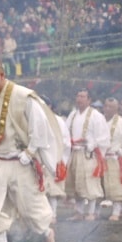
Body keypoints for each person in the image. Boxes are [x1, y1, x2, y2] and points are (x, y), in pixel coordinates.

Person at [0, 58, 61, 242]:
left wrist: (29, 152)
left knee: (31, 211)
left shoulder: (23, 96)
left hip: (21, 161)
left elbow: (40, 127)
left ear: (1, 75)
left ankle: (48, 234)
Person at [64, 89, 110, 221]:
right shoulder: (72, 115)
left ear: (89, 100)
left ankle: (91, 212)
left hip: (88, 154)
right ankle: (78, 212)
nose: (79, 99)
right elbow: (66, 133)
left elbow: (103, 137)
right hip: (75, 152)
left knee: (89, 183)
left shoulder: (96, 116)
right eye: (78, 96)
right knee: (76, 183)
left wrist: (90, 144)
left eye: (83, 96)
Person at [40, 95, 71, 224]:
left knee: (53, 190)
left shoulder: (58, 121)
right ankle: (41, 215)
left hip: (54, 159)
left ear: (50, 106)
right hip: (39, 159)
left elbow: (65, 141)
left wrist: (60, 159)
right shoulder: (33, 120)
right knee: (39, 189)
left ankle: (53, 214)